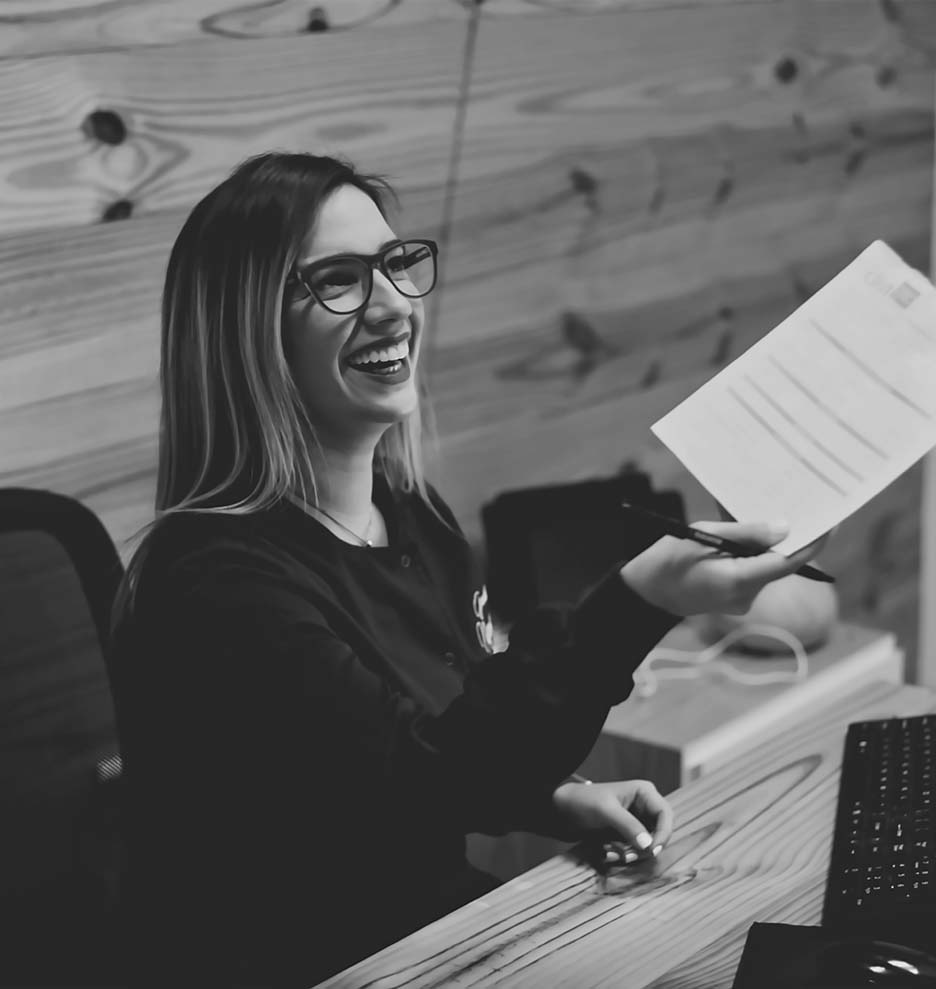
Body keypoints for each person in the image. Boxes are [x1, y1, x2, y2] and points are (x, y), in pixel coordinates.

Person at [107, 151, 827, 988]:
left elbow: (438, 741)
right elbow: (424, 781)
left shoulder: (411, 514)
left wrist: (546, 796)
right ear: (245, 333)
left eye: (396, 266)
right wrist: (639, 602)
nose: (392, 307)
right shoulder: (215, 585)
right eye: (338, 280)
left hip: (424, 933)